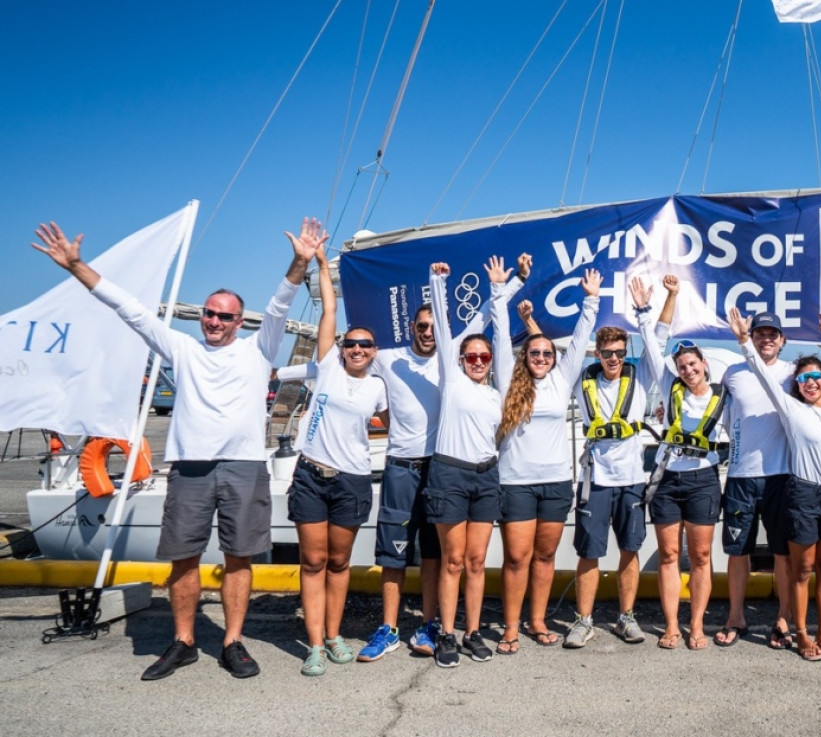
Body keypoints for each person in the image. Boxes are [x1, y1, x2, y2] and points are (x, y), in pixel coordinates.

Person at [32, 218, 320, 680]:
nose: (215, 321)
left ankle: (233, 642)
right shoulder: (182, 348)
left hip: (245, 467)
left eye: (225, 316)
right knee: (182, 558)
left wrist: (301, 261)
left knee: (239, 557)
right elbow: (130, 309)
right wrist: (77, 267)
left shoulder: (258, 350)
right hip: (189, 469)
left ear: (239, 322)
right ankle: (183, 641)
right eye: (210, 312)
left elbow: (280, 302)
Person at [280, 258, 529, 663]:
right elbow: (336, 363)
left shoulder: (455, 360)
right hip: (400, 466)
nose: (429, 332)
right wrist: (276, 373)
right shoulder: (386, 357)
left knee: (436, 555)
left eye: (435, 327)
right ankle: (389, 627)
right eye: (422, 326)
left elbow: (486, 315)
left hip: (441, 467)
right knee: (393, 554)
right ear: (412, 328)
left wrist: (516, 280)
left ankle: (431, 624)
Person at [286, 244, 387, 675]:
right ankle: (313, 645)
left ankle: (333, 635)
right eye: (352, 344)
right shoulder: (327, 366)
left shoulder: (379, 388)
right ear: (342, 348)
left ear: (374, 351)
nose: (357, 349)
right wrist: (324, 265)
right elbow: (329, 310)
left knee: (340, 562)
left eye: (365, 345)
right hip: (311, 474)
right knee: (313, 561)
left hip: (352, 481)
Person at [728, 308, 821, 661]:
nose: (810, 382)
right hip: (802, 491)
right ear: (796, 385)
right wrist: (742, 341)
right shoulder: (790, 409)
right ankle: (801, 633)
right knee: (803, 569)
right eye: (804, 378)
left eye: (816, 377)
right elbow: (763, 379)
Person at [492, 269, 601, 653]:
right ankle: (509, 627)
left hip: (555, 483)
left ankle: (536, 620)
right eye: (535, 352)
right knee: (516, 558)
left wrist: (591, 299)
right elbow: (498, 331)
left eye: (547, 353)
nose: (541, 357)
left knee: (545, 555)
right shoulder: (508, 377)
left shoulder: (561, 378)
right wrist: (499, 291)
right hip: (516, 482)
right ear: (526, 356)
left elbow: (583, 336)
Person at [562, 277, 674, 649]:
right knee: (589, 552)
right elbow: (573, 344)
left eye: (619, 352)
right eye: (607, 352)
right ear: (597, 353)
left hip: (630, 480)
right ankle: (584, 620)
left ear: (626, 352)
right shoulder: (581, 378)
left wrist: (650, 306)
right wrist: (590, 301)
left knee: (630, 549)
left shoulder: (639, 375)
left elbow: (659, 337)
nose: (613, 358)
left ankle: (627, 617)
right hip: (595, 481)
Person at [423, 255, 520, 668]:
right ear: (460, 359)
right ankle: (447, 634)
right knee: (454, 560)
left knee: (478, 561)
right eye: (472, 356)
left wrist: (505, 289)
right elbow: (444, 328)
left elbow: (500, 337)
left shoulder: (496, 392)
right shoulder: (453, 378)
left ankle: (473, 631)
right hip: (449, 473)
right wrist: (437, 281)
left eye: (483, 356)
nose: (479, 360)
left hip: (486, 476)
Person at [642, 277, 728, 651]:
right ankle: (672, 626)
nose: (687, 370)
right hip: (667, 481)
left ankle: (697, 626)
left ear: (704, 364)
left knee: (702, 557)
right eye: (681, 365)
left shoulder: (725, 394)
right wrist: (670, 297)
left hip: (703, 481)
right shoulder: (669, 385)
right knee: (669, 556)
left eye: (692, 363)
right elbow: (652, 338)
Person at [714, 310, 795, 649]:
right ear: (753, 337)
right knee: (738, 552)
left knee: (783, 553)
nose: (766, 339)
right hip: (740, 475)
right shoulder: (733, 373)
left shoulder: (793, 373)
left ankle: (784, 618)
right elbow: (707, 401)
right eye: (760, 333)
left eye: (772, 334)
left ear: (783, 340)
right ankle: (736, 616)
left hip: (782, 475)